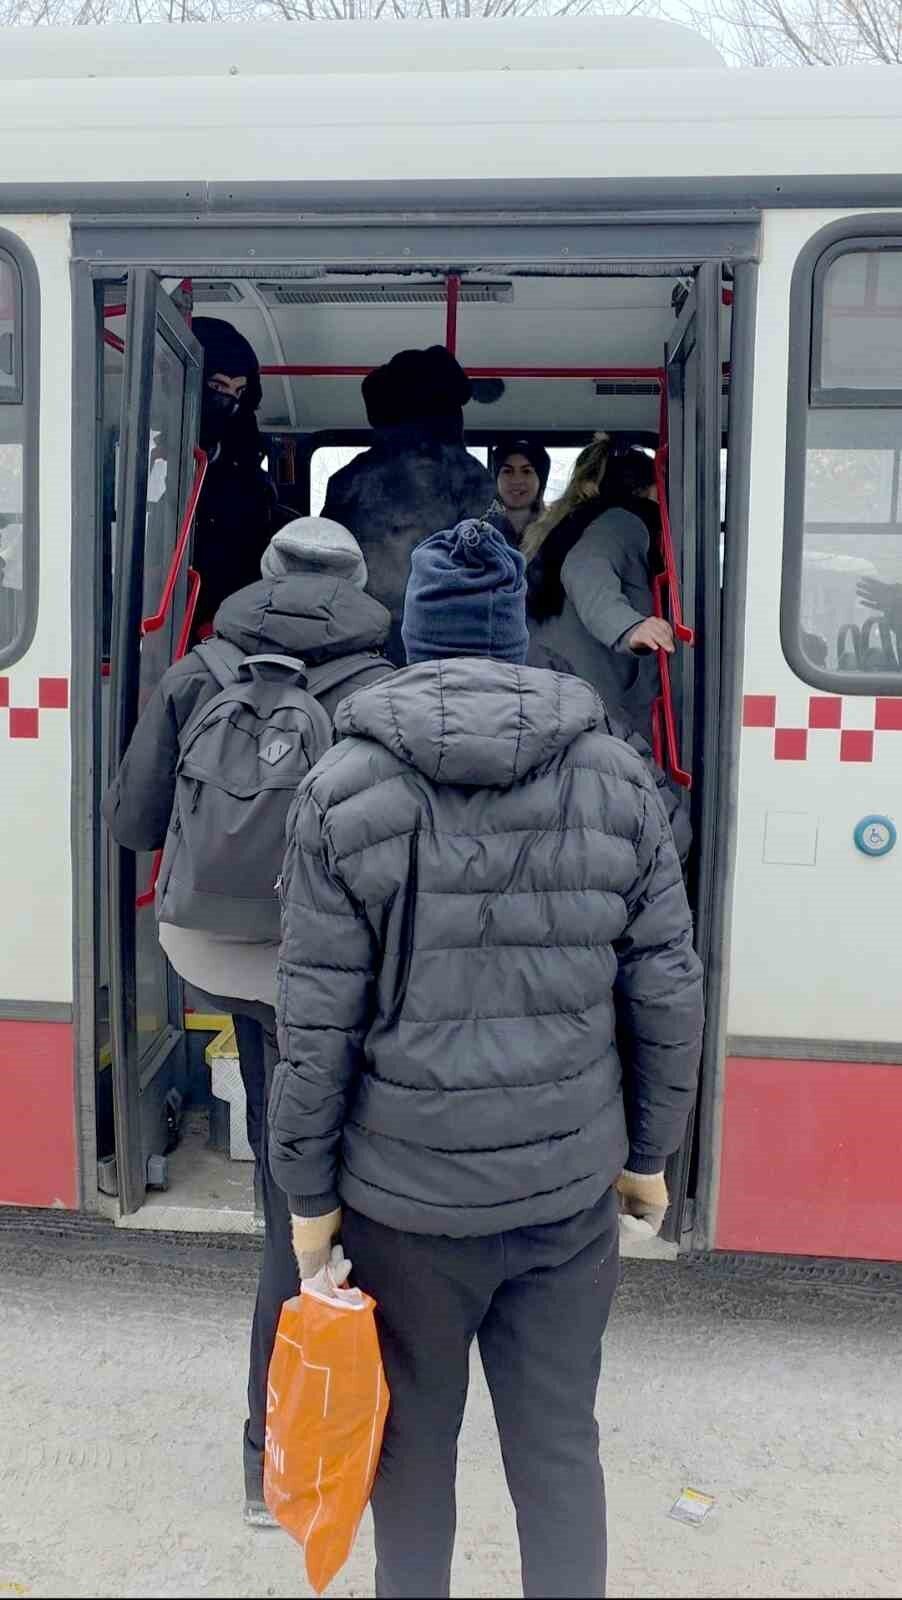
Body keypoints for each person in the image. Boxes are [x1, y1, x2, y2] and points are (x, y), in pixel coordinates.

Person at [268, 520, 704, 1599]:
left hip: (401, 1205)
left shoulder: (341, 785)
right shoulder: (617, 777)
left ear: (414, 636)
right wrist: (648, 1154)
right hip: (564, 1196)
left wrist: (308, 1196)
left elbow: (314, 1024)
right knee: (558, 1446)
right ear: (516, 636)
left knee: (411, 1453)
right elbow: (664, 987)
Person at [102, 516, 394, 1527]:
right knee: (326, 1187)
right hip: (324, 964)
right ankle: (339, 1434)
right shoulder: (379, 685)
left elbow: (133, 821)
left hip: (215, 951)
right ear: (358, 581)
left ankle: (266, 1454)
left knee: (288, 1190)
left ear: (265, 573)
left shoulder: (199, 668)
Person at [322, 344, 493, 663]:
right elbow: (489, 566)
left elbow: (329, 564)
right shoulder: (471, 478)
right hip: (447, 641)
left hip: (362, 641)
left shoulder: (349, 480)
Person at [525, 438, 675, 741]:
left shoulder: (569, 524)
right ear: (646, 490)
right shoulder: (623, 521)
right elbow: (585, 567)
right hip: (594, 705)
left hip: (556, 692)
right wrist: (629, 627)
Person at [190, 317, 293, 632]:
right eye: (217, 387)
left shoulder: (246, 462)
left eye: (239, 391)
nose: (229, 403)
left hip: (234, 611)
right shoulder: (157, 451)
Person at [486, 436, 551, 549]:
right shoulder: (478, 532)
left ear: (541, 481)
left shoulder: (557, 531)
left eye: (526, 471)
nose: (516, 480)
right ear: (496, 479)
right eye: (507, 471)